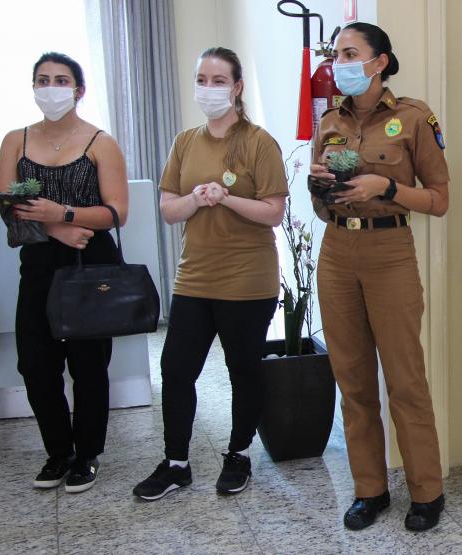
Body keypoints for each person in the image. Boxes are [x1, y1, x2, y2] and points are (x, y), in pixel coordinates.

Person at [309, 22, 449, 532]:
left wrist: (384, 185)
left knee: (405, 380)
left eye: (351, 52)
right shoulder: (329, 121)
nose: (339, 61)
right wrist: (325, 189)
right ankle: (369, 490)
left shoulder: (413, 118)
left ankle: (426, 493)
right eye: (336, 53)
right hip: (337, 251)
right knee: (353, 380)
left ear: (380, 62)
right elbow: (317, 200)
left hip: (390, 250)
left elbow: (439, 199)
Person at [132, 47, 287, 500]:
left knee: (243, 370)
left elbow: (274, 212)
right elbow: (166, 210)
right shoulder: (185, 142)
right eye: (203, 79)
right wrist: (197, 199)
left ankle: (239, 454)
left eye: (219, 80)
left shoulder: (259, 141)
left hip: (247, 279)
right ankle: (176, 462)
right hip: (194, 277)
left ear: (237, 88)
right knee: (176, 370)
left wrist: (226, 197)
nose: (209, 88)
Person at [0, 52, 129, 493]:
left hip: (90, 262)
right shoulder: (15, 140)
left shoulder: (100, 143)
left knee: (89, 365)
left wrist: (65, 213)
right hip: (37, 262)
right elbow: (8, 208)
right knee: (35, 364)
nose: (50, 87)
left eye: (60, 80)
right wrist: (56, 226)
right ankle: (58, 452)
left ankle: (87, 454)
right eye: (42, 80)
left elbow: (116, 213)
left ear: (78, 89)